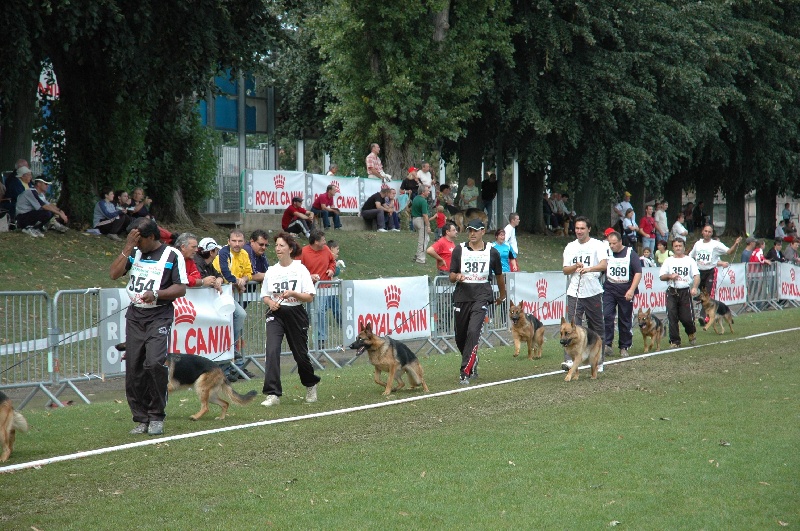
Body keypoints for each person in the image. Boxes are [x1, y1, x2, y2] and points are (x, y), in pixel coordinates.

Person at [109, 218, 188, 435]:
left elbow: (181, 288)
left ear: (152, 237)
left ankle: (156, 416)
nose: (136, 244)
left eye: (139, 240)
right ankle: (141, 418)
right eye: (132, 240)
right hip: (135, 316)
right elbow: (113, 274)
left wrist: (156, 294)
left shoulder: (172, 255)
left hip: (159, 315)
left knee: (154, 363)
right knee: (134, 368)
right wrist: (127, 247)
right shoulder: (133, 252)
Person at [260, 232, 321, 407]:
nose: (278, 249)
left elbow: (309, 296)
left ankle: (310, 384)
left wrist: (294, 293)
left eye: (281, 246)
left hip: (296, 314)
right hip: (275, 315)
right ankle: (272, 393)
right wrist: (270, 303)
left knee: (300, 355)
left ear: (290, 248)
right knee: (272, 350)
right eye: (276, 246)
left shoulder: (300, 269)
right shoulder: (272, 271)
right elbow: (265, 295)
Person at [449, 218, 506, 385]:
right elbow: (451, 275)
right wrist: (457, 276)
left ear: (483, 231)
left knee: (473, 332)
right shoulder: (459, 250)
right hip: (462, 296)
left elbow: (499, 276)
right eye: (470, 230)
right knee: (460, 337)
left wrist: (502, 295)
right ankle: (472, 360)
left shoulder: (492, 252)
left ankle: (465, 372)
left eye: (475, 230)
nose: (472, 233)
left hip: (482, 296)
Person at [561, 216, 609, 372]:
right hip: (574, 292)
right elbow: (565, 270)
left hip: (592, 291)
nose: (579, 231)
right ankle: (569, 360)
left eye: (582, 228)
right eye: (577, 228)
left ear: (589, 229)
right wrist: (575, 266)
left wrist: (589, 268)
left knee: (596, 327)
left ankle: (598, 361)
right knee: (572, 326)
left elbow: (603, 265)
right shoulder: (570, 247)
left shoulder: (597, 245)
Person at [213, 230, 252, 364]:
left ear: (244, 242)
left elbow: (249, 273)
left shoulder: (244, 254)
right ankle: (230, 347)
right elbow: (225, 273)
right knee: (239, 315)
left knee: (238, 316)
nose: (237, 244)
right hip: (218, 293)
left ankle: (231, 347)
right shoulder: (224, 253)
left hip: (230, 294)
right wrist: (237, 282)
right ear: (228, 241)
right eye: (234, 241)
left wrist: (243, 280)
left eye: (240, 241)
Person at [603, 231, 642, 358]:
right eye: (610, 243)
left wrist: (632, 290)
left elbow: (638, 272)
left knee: (624, 319)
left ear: (620, 242)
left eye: (614, 243)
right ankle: (607, 344)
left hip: (626, 290)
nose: (612, 246)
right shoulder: (607, 253)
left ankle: (624, 346)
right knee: (607, 315)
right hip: (610, 289)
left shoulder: (630, 253)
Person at [659, 239, 700, 348]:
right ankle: (675, 341)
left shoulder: (689, 260)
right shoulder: (668, 261)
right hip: (672, 291)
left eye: (680, 246)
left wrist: (695, 287)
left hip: (685, 291)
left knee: (687, 318)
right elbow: (662, 276)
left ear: (683, 247)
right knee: (672, 316)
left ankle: (691, 332)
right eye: (676, 246)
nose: (678, 248)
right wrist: (670, 276)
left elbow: (696, 275)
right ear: (673, 248)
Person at [301, 230, 336, 349]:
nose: (325, 242)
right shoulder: (304, 252)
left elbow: (332, 261)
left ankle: (321, 339)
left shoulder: (326, 249)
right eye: (323, 240)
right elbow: (297, 269)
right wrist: (309, 276)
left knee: (320, 311)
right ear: (316, 242)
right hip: (309, 288)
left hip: (323, 288)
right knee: (309, 313)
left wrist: (331, 269)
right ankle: (306, 337)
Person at [689, 225, 742, 297]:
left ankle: (708, 304)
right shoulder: (698, 243)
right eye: (705, 231)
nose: (707, 233)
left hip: (710, 272)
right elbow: (690, 256)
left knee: (708, 294)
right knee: (701, 294)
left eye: (709, 232)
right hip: (699, 272)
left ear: (712, 233)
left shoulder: (715, 244)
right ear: (702, 232)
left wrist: (736, 243)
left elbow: (729, 251)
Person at [411, 186, 432, 263]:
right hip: (421, 221)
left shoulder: (416, 198)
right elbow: (425, 215)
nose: (429, 192)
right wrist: (428, 226)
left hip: (414, 219)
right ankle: (420, 259)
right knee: (422, 241)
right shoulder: (423, 201)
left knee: (426, 238)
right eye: (427, 190)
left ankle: (418, 254)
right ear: (423, 192)